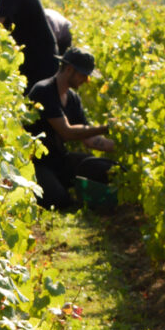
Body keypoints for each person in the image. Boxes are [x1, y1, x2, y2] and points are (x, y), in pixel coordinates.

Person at [27, 47, 116, 210]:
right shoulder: (44, 91)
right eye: (83, 74)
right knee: (59, 200)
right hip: (36, 163)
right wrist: (106, 128)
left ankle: (63, 185)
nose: (86, 80)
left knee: (106, 169)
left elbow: (89, 139)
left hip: (59, 159)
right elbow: (66, 132)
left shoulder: (73, 98)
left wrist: (120, 146)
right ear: (69, 69)